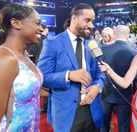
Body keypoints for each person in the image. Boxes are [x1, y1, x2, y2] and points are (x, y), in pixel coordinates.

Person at [0, 3, 43, 131]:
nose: (41, 28)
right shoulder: (3, 60)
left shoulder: (23, 56)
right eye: (37, 23)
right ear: (16, 23)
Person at [37, 3, 105, 132]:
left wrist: (97, 87)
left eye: (93, 21)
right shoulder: (52, 43)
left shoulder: (93, 44)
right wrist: (69, 75)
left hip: (92, 111)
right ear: (74, 18)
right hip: (66, 115)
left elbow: (101, 73)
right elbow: (42, 76)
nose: (91, 25)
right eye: (87, 20)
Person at [100, 25, 137, 132]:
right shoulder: (135, 53)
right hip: (125, 94)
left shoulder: (103, 50)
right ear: (128, 34)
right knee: (124, 127)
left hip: (105, 93)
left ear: (114, 35)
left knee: (104, 125)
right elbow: (136, 79)